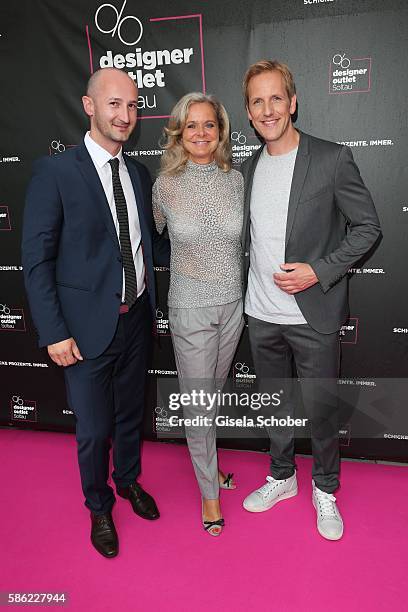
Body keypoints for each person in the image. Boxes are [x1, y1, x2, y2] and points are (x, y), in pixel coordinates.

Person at [22, 67, 170, 558]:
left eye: (132, 106)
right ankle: (99, 505)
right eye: (113, 104)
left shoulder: (139, 173)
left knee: (131, 415)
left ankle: (127, 481)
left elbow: (141, 244)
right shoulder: (56, 172)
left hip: (135, 321)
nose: (124, 115)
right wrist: (54, 332)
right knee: (92, 428)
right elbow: (37, 260)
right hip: (83, 330)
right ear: (89, 106)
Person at [240, 60, 381, 540]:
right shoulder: (247, 168)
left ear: (293, 102)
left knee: (321, 409)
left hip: (312, 315)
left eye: (275, 97)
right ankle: (281, 476)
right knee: (274, 403)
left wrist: (319, 271)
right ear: (249, 112)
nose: (267, 109)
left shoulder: (331, 158)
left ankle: (325, 488)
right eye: (257, 101)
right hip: (260, 314)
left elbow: (367, 228)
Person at [152, 93, 244, 536]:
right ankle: (210, 494)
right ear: (178, 132)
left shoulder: (236, 180)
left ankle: (212, 468)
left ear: (221, 132)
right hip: (189, 307)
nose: (201, 133)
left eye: (209, 125)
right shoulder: (164, 185)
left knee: (214, 398)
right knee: (198, 405)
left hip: (234, 307)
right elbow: (148, 236)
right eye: (192, 126)